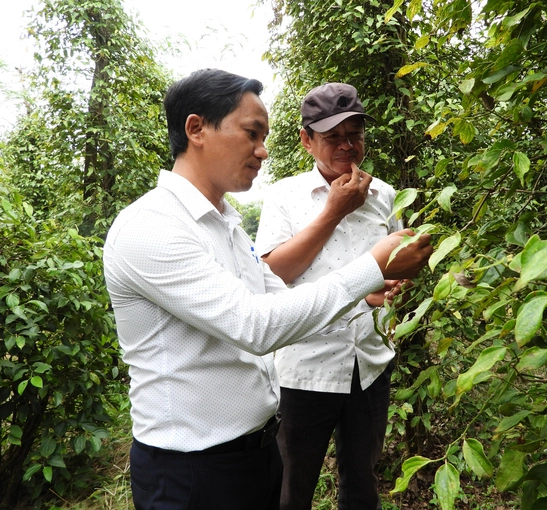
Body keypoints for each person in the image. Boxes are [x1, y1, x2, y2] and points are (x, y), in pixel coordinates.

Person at [102, 69, 432, 510]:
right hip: (192, 470)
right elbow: (256, 325)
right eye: (252, 133)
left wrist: (371, 289)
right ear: (196, 129)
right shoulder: (153, 227)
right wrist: (370, 269)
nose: (262, 150)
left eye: (265, 136)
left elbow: (276, 297)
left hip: (253, 449)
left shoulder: (227, 224)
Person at [255, 82, 404, 510]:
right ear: (306, 140)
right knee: (292, 485)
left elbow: (393, 265)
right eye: (333, 136)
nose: (346, 145)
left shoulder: (385, 196)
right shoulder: (284, 196)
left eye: (354, 134)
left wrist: (393, 287)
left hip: (369, 363)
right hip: (305, 367)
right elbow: (277, 270)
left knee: (361, 482)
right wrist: (335, 209)